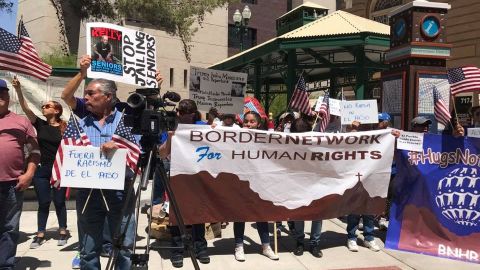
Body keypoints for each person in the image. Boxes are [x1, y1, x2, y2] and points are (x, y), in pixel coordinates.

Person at [61, 55, 141, 269]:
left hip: (120, 191)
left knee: (125, 245)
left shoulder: (127, 119)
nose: (85, 97)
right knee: (88, 247)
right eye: (85, 94)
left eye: (91, 93)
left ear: (108, 96)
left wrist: (119, 149)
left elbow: (138, 151)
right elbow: (65, 95)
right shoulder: (82, 116)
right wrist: (82, 74)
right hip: (89, 191)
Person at [11, 77, 69, 249]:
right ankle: (40, 233)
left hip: (59, 170)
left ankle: (63, 231)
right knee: (43, 202)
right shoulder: (40, 124)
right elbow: (25, 108)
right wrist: (19, 90)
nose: (44, 108)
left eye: (48, 106)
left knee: (59, 201)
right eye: (43, 106)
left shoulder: (65, 127)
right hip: (42, 170)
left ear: (57, 111)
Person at [158, 99, 210, 268]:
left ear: (194, 114)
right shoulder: (171, 125)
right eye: (181, 112)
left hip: (198, 176)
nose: (184, 116)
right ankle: (177, 249)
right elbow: (162, 154)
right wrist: (171, 138)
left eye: (188, 113)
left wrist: (216, 130)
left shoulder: (203, 126)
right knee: (176, 215)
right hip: (177, 176)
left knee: (198, 213)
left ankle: (200, 247)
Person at [0, 79, 40, 270]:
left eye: (2, 93)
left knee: (9, 227)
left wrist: (29, 173)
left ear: (8, 97)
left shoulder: (21, 121)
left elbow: (35, 151)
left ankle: (5, 265)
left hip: (12, 184)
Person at [232, 111, 279, 262]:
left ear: (258, 124)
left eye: (252, 122)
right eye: (246, 121)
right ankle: (239, 246)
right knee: (240, 215)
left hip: (260, 183)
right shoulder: (234, 137)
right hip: (241, 182)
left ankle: (266, 246)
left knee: (261, 214)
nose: (248, 124)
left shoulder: (266, 139)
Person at [290, 117, 323, 258]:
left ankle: (314, 243)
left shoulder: (318, 143)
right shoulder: (288, 144)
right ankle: (300, 242)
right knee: (299, 214)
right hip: (297, 184)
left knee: (318, 215)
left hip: (315, 183)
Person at [345, 120, 380, 253]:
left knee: (368, 210)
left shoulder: (375, 137)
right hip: (354, 179)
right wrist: (352, 130)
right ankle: (352, 237)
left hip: (370, 178)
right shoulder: (352, 140)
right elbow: (344, 142)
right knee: (354, 210)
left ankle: (369, 238)